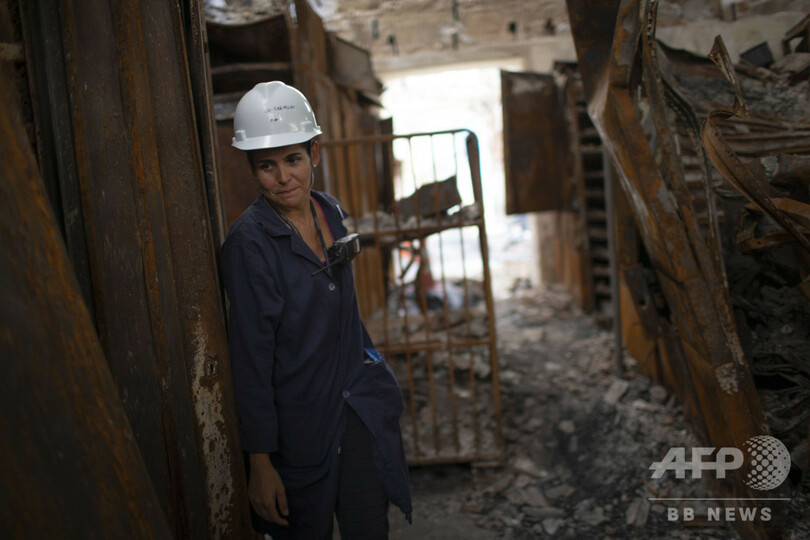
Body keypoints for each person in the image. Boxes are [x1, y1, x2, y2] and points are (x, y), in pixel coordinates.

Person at [221, 81, 412, 539]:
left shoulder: (329, 212)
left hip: (357, 408)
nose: (283, 177)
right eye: (267, 165)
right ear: (252, 169)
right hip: (298, 429)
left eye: (293, 159)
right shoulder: (249, 246)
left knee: (369, 527)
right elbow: (251, 358)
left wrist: (372, 376)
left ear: (315, 155)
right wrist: (261, 462)